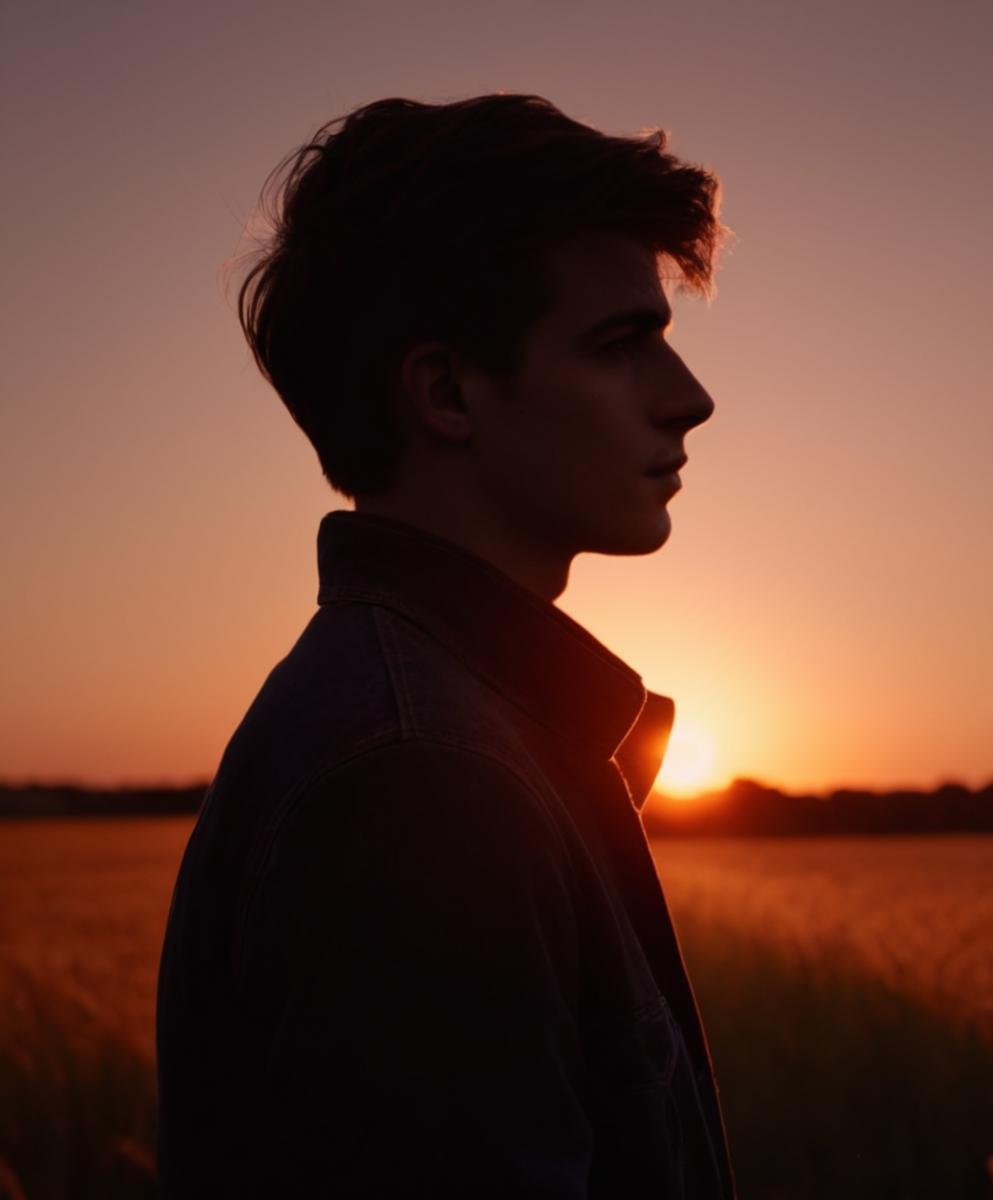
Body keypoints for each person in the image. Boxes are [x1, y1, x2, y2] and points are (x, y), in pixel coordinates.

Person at [156, 93, 737, 1198]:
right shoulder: (425, 781)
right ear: (446, 391)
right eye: (621, 344)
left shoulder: (444, 727)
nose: (690, 400)